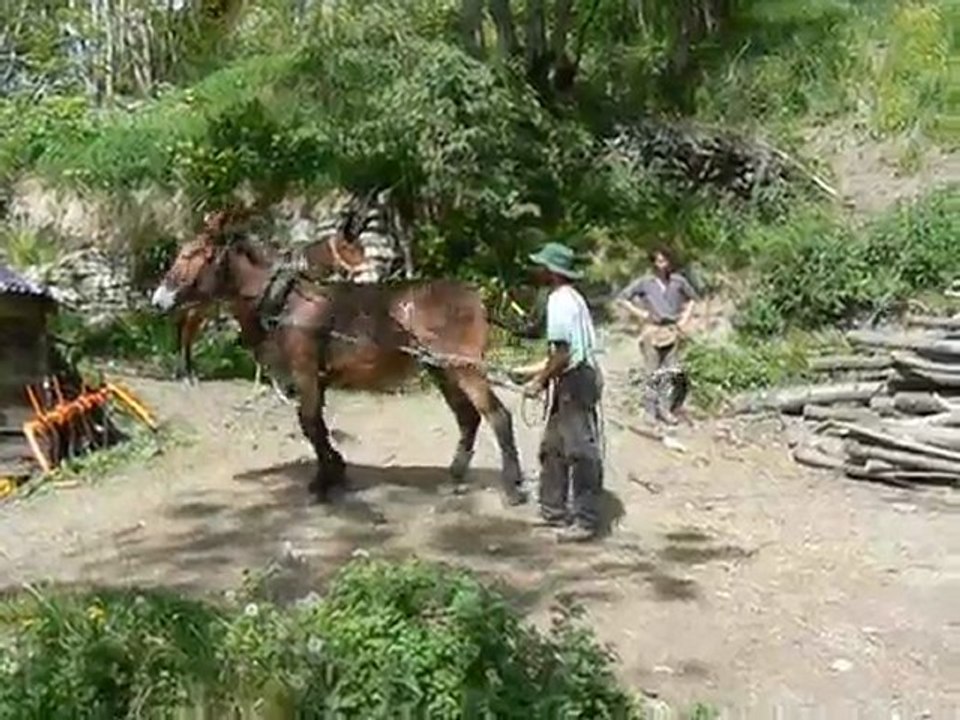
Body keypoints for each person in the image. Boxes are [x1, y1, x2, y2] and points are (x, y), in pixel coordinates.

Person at [511, 241, 603, 543]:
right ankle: (553, 511)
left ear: (550, 272)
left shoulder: (559, 302)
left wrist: (539, 383)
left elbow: (563, 355)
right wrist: (532, 372)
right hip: (574, 376)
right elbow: (559, 354)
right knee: (553, 447)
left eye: (540, 266)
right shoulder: (571, 297)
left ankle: (586, 520)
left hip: (575, 381)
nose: (536, 270)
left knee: (580, 451)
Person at [616, 246, 698, 425]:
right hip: (652, 330)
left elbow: (692, 298)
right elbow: (622, 298)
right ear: (653, 263)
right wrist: (640, 313)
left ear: (670, 262)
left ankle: (665, 409)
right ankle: (649, 412)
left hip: (672, 330)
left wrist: (684, 319)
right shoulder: (645, 282)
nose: (661, 264)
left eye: (664, 260)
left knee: (669, 372)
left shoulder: (678, 282)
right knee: (652, 373)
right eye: (657, 261)